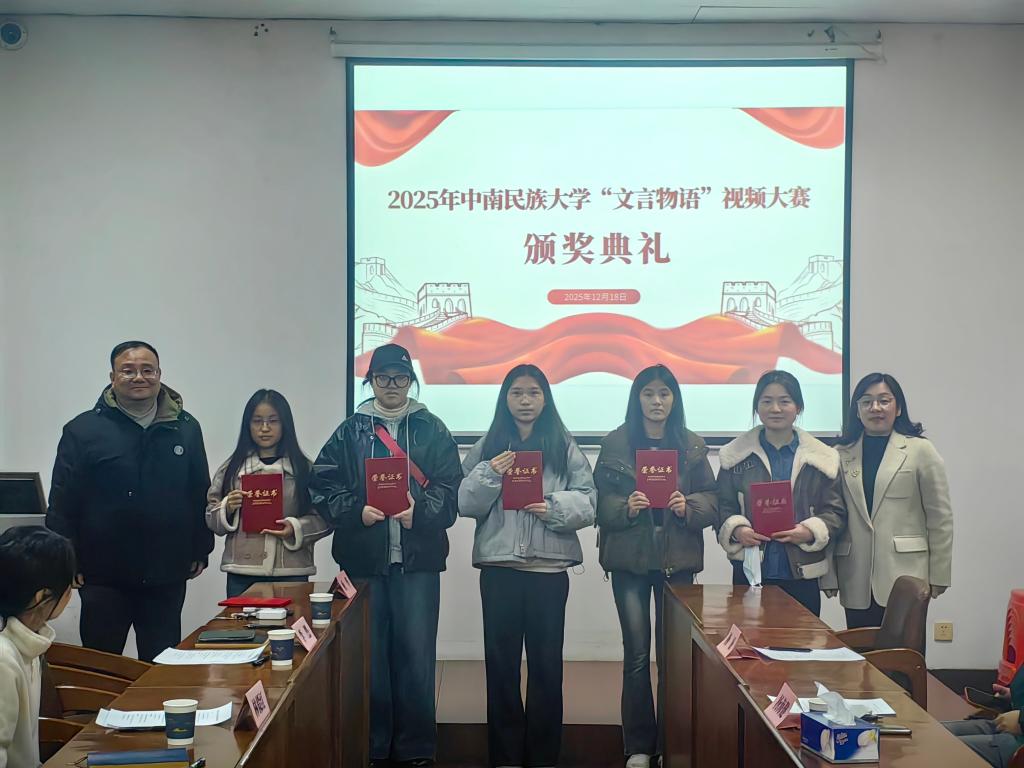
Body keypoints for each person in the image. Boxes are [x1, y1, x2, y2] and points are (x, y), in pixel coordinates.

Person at [310, 343, 462, 768]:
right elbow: (321, 485)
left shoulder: (432, 429)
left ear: (410, 381)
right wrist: (356, 511)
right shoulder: (350, 432)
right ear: (370, 381)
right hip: (364, 564)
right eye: (382, 378)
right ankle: (373, 746)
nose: (391, 386)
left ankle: (416, 749)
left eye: (400, 378)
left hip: (419, 563)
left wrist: (421, 513)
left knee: (417, 658)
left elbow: (452, 489)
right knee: (368, 659)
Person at [459, 364, 596, 768]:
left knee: (547, 667)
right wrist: (490, 473)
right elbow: (464, 502)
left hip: (548, 572)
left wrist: (553, 507)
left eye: (534, 393)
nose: (525, 401)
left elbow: (590, 500)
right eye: (517, 392)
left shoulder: (563, 444)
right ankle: (504, 756)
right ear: (505, 398)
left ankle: (544, 756)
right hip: (499, 570)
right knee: (500, 667)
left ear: (545, 399)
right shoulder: (488, 445)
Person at [46, 341, 212, 662]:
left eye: (147, 370)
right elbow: (63, 501)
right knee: (101, 665)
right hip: (102, 573)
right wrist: (66, 561)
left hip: (166, 570)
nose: (139, 377)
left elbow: (198, 492)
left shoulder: (186, 428)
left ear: (159, 374)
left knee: (161, 663)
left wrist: (200, 548)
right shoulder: (82, 430)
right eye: (128, 370)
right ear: (112, 377)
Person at [595, 364, 718, 768]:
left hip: (677, 563)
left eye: (664, 393)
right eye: (648, 393)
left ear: (674, 399)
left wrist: (688, 506)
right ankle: (638, 746)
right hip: (629, 561)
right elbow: (598, 503)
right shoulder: (615, 443)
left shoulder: (692, 445)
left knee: (672, 658)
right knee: (636, 655)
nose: (657, 401)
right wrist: (625, 507)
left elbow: (712, 501)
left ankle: (670, 744)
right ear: (637, 399)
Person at [822, 373, 953, 629]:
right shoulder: (839, 454)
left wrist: (940, 574)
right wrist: (828, 575)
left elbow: (940, 518)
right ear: (857, 410)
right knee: (860, 648)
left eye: (884, 400)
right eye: (866, 401)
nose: (875, 408)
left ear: (898, 407)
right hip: (855, 574)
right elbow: (831, 516)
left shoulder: (920, 450)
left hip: (907, 575)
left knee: (905, 650)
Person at [716, 370, 846, 617]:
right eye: (767, 401)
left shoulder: (822, 458)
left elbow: (835, 511)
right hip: (750, 570)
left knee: (801, 640)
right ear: (757, 407)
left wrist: (809, 531)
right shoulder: (735, 456)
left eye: (784, 401)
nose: (775, 408)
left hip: (801, 572)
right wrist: (738, 530)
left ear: (798, 407)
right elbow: (722, 505)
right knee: (749, 639)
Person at [206, 389, 329, 598]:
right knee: (241, 621)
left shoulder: (304, 469)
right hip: (242, 572)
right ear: (248, 425)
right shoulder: (232, 469)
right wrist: (227, 507)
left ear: (285, 424)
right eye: (257, 421)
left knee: (292, 621)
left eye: (273, 421)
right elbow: (210, 517)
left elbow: (325, 517)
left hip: (291, 570)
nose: (265, 428)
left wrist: (295, 527)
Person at [0, 526, 76, 768]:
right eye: (69, 587)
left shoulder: (28, 641)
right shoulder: (3, 658)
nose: (71, 593)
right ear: (41, 596)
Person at [943, 675, 1024, 767]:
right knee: (935, 733)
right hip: (1008, 722)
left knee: (942, 748)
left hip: (1017, 742)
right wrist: (1015, 695)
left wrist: (1021, 718)